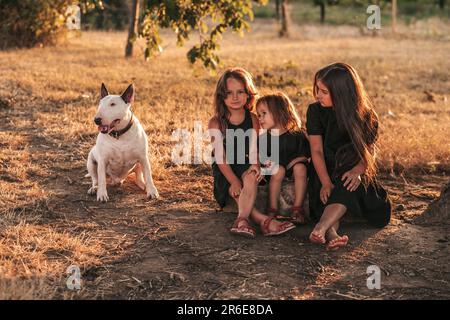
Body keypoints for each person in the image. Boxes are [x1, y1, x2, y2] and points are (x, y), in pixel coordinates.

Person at [306, 62, 391, 250]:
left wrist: (358, 171)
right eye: (317, 89)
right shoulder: (315, 111)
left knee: (349, 183)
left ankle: (322, 228)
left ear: (341, 93)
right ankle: (330, 233)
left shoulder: (366, 116)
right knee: (332, 191)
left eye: (324, 91)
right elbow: (316, 151)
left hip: (353, 167)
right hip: (324, 169)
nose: (318, 95)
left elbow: (368, 151)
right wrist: (326, 182)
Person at [208, 68, 295, 238]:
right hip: (224, 170)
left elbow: (254, 149)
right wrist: (233, 181)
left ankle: (242, 220)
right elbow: (220, 157)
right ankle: (262, 220)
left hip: (244, 163)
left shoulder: (253, 119)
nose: (235, 97)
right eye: (229, 93)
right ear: (221, 96)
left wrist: (255, 165)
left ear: (248, 94)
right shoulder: (216, 122)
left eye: (240, 92)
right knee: (238, 186)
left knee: (251, 175)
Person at [256, 92, 310, 224]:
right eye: (258, 115)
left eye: (264, 114)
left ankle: (297, 209)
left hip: (293, 168)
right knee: (278, 170)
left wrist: (295, 163)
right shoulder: (264, 138)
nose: (260, 118)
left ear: (279, 112)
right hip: (274, 171)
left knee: (300, 168)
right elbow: (260, 157)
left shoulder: (297, 134)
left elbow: (306, 155)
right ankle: (272, 209)